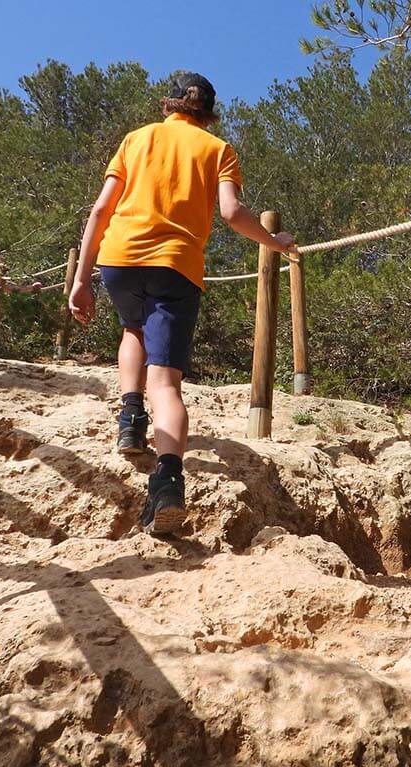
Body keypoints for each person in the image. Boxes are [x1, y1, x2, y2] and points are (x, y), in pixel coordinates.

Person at [69, 72, 297, 536]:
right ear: (208, 114)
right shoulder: (218, 151)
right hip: (175, 267)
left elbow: (99, 210)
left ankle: (130, 420)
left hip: (119, 259)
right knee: (167, 382)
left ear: (170, 105)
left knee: (133, 329)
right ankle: (169, 483)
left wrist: (80, 279)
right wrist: (273, 242)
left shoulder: (135, 140)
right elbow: (232, 213)